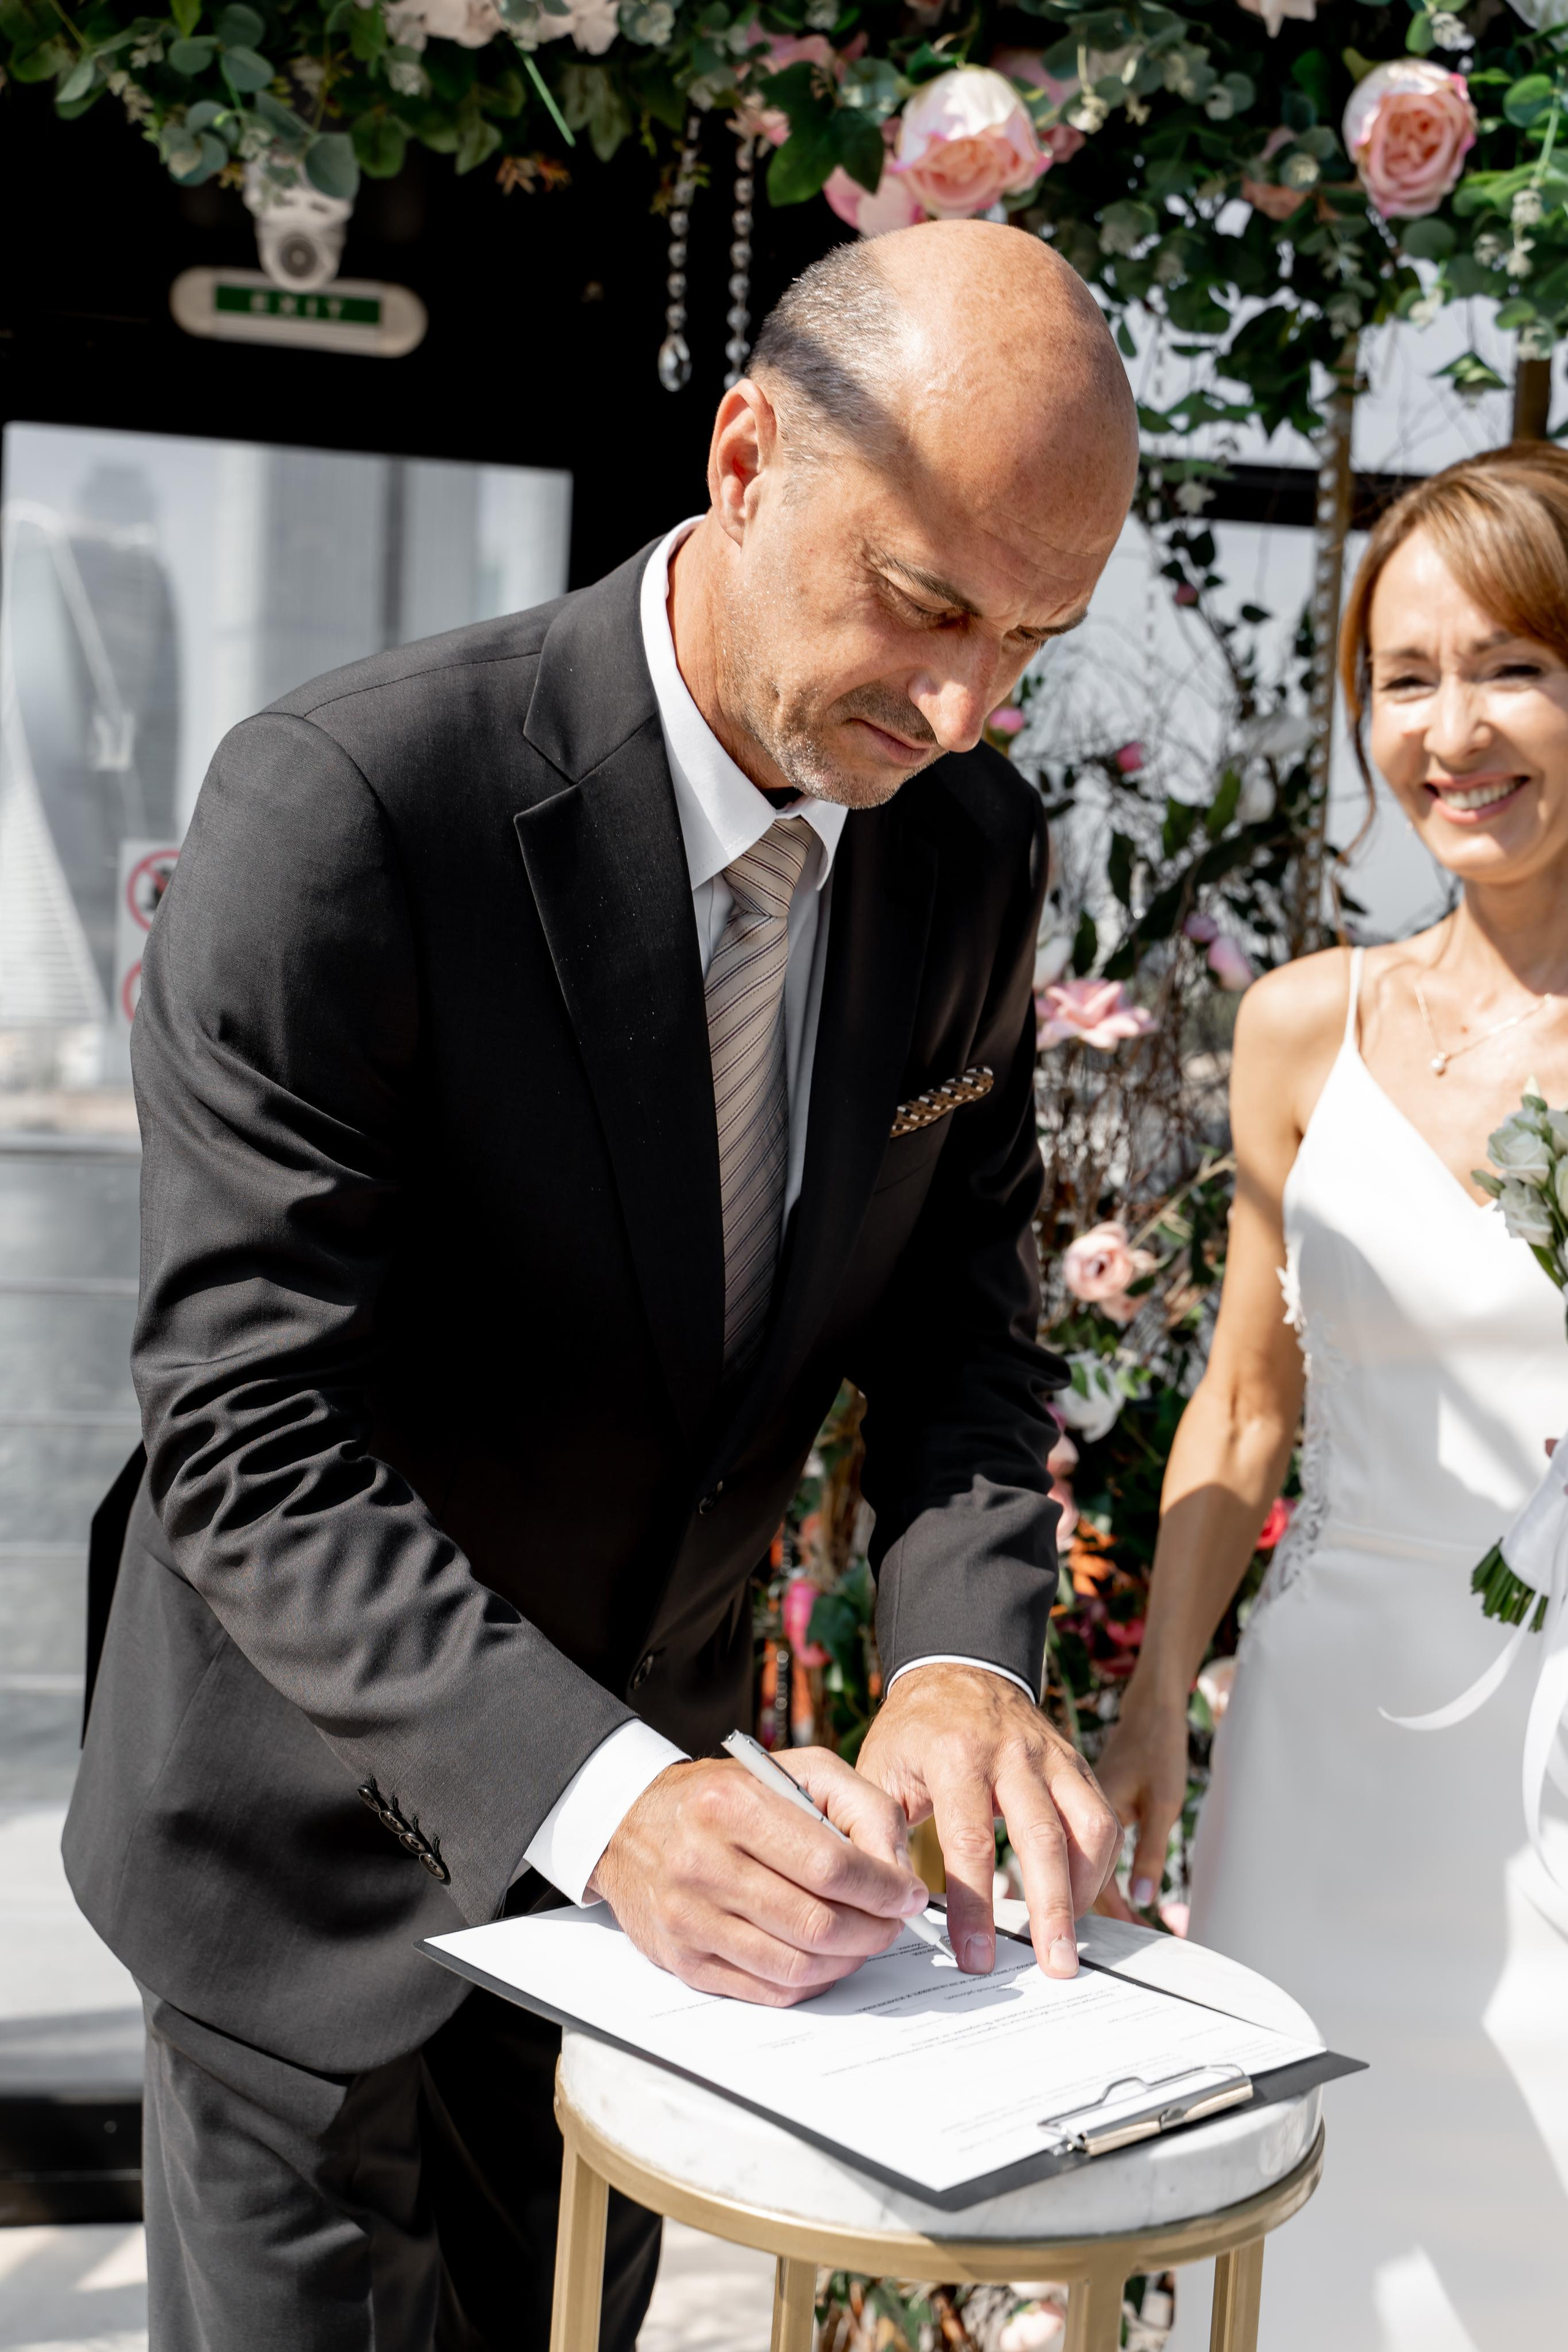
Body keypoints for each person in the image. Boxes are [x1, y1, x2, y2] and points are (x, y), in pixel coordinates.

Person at [63, 220, 1136, 2350]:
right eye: (927, 603)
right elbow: (248, 1435)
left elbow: (964, 1339)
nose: (964, 709)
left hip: (656, 1932)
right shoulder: (352, 804)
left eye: (1034, 639)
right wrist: (612, 1800)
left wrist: (959, 1663)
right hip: (300, 1853)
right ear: (745, 458)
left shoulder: (972, 855)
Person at [1095, 442, 1568, 2351]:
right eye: (1406, 676)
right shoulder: (1304, 1027)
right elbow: (1240, 1404)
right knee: (1303, 2256)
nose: (1454, 731)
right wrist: (1151, 1698)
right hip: (1328, 1761)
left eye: (1515, 667)